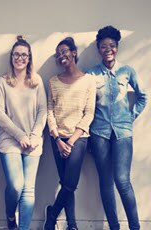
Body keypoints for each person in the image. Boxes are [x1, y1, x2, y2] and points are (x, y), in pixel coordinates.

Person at [87, 25, 147, 230]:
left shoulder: (127, 71)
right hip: (99, 134)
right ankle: (114, 227)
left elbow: (143, 97)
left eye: (112, 45)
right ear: (98, 49)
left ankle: (135, 227)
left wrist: (131, 117)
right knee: (105, 183)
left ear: (117, 47)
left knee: (122, 181)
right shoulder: (91, 74)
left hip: (123, 133)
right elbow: (85, 104)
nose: (108, 49)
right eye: (104, 46)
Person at [0, 36, 47, 230]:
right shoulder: (3, 82)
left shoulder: (37, 81)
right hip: (10, 140)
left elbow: (43, 110)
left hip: (33, 140)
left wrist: (34, 136)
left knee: (28, 190)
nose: (20, 58)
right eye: (17, 54)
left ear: (29, 58)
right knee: (16, 185)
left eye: (24, 55)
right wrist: (20, 136)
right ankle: (10, 216)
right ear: (11, 57)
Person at [44, 37, 96, 230]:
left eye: (64, 51)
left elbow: (89, 112)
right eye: (58, 54)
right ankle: (72, 225)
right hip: (57, 138)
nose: (61, 56)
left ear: (74, 53)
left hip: (79, 138)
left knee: (70, 184)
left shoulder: (89, 80)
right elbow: (50, 110)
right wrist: (57, 139)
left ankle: (52, 215)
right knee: (66, 182)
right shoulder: (53, 82)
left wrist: (71, 141)